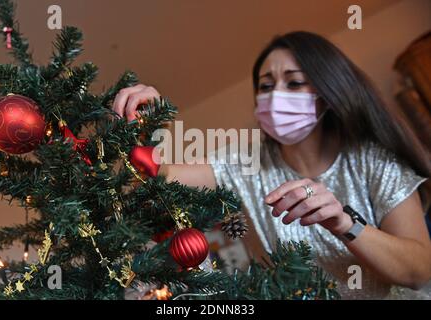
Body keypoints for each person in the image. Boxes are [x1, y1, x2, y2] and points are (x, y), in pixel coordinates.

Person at [112, 31, 431, 299]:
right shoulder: (244, 163)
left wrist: (346, 224)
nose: (276, 95)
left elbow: (419, 272)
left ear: (328, 91)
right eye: (266, 86)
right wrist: (147, 124)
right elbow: (162, 176)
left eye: (294, 83)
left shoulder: (374, 163)